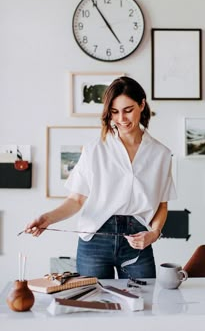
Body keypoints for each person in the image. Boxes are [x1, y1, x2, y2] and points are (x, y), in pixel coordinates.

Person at [25, 76, 176, 279]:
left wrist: (154, 233)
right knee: (94, 304)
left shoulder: (161, 154)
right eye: (114, 112)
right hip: (94, 241)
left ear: (142, 104)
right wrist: (47, 219)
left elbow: (162, 205)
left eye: (128, 110)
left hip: (138, 240)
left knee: (144, 304)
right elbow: (77, 200)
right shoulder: (94, 150)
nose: (121, 119)